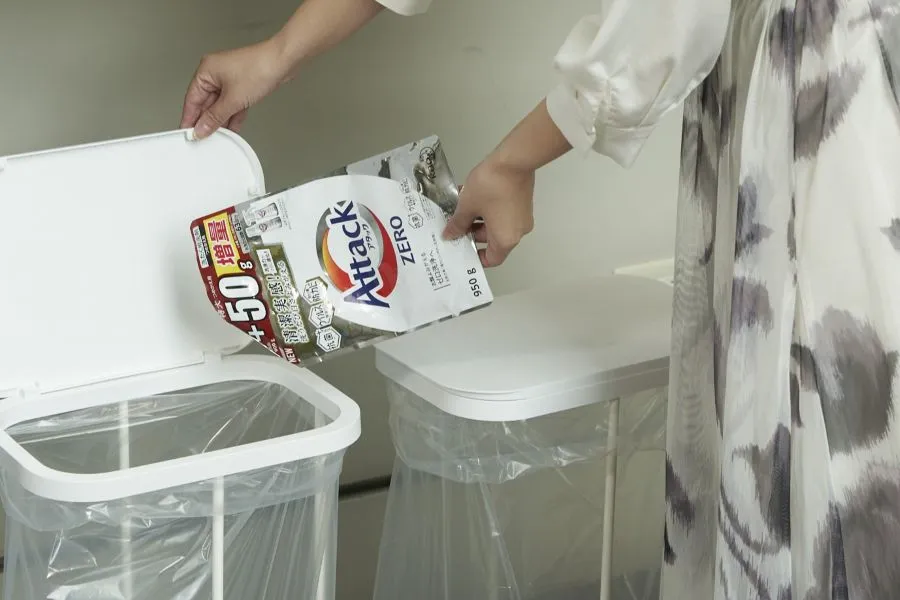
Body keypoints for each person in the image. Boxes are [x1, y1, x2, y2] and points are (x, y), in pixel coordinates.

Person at [181, 0, 900, 597]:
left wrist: (517, 161)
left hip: (833, 100)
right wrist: (278, 53)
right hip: (815, 76)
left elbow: (672, 13)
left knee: (832, 450)